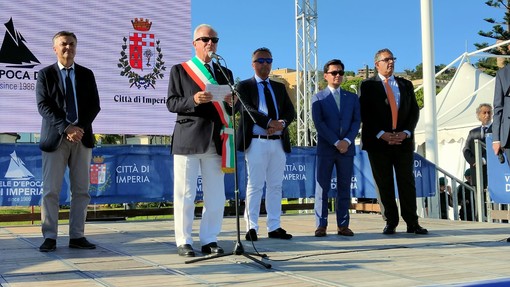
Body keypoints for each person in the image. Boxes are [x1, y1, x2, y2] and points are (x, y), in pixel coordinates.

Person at [166, 24, 234, 257]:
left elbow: (228, 108)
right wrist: (194, 99)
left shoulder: (225, 72)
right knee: (185, 194)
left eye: (214, 40)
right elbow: (172, 103)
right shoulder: (181, 70)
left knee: (216, 195)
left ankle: (209, 239)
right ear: (195, 43)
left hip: (216, 140)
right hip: (189, 138)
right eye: (205, 39)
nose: (210, 43)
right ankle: (183, 241)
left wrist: (232, 103)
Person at [36, 31, 101, 252]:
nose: (68, 48)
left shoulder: (87, 74)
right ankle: (50, 237)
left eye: (72, 44)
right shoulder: (45, 75)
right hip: (56, 139)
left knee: (82, 190)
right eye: (63, 44)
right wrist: (66, 128)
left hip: (82, 139)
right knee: (51, 191)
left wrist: (79, 128)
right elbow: (43, 106)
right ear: (55, 48)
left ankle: (77, 236)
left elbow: (94, 105)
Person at [359, 48, 428, 235]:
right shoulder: (367, 85)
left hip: (402, 142)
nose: (390, 62)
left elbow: (414, 111)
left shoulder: (405, 84)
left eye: (392, 59)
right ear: (377, 64)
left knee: (407, 182)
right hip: (379, 143)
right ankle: (391, 221)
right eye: (386, 59)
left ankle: (412, 222)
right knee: (384, 184)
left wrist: (406, 132)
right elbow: (366, 113)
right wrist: (382, 133)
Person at [236, 47, 296, 241]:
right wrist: (268, 123)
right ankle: (251, 227)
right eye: (261, 61)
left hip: (277, 142)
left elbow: (289, 111)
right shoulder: (243, 86)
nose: (265, 64)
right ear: (253, 64)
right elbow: (247, 109)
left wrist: (281, 124)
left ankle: (274, 226)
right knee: (255, 185)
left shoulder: (278, 87)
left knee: (276, 186)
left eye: (269, 61)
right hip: (256, 142)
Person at [311, 59, 360, 237]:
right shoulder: (318, 97)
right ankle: (321, 224)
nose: (337, 75)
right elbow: (319, 123)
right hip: (327, 147)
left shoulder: (352, 97)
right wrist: (335, 142)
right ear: (326, 76)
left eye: (340, 72)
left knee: (344, 187)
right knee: (322, 187)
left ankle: (343, 225)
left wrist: (346, 141)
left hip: (346, 149)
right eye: (334, 72)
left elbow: (356, 121)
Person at [463, 103, 493, 188]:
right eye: (484, 112)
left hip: (493, 172)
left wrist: (483, 160)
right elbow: (466, 150)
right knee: (479, 200)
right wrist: (474, 161)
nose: (487, 115)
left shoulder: (497, 130)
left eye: (489, 112)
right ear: (478, 115)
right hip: (477, 173)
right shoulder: (473, 132)